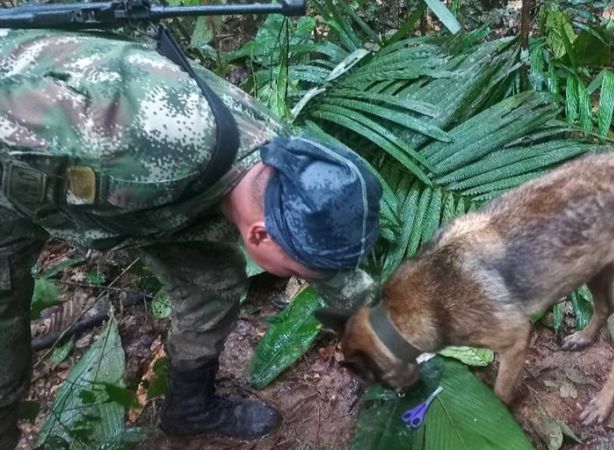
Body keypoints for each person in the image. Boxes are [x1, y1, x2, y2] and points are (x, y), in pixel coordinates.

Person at [0, 27, 382, 447]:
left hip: (143, 199)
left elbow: (326, 265)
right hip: (16, 176)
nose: (306, 277)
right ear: (259, 233)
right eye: (295, 271)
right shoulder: (135, 142)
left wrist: (389, 335)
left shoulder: (283, 168)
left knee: (212, 284)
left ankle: (189, 409)